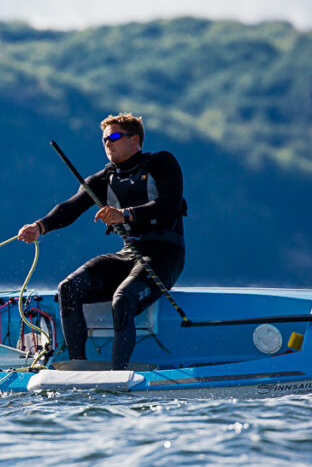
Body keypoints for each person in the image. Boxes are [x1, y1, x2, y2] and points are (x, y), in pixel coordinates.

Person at [17, 113, 186, 370]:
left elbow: (169, 205)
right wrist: (40, 227)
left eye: (115, 137)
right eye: (104, 139)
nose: (108, 143)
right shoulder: (103, 179)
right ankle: (78, 366)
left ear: (136, 140)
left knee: (123, 299)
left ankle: (119, 373)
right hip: (129, 254)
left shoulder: (161, 163)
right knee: (69, 288)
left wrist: (126, 214)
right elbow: (70, 207)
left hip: (165, 255)